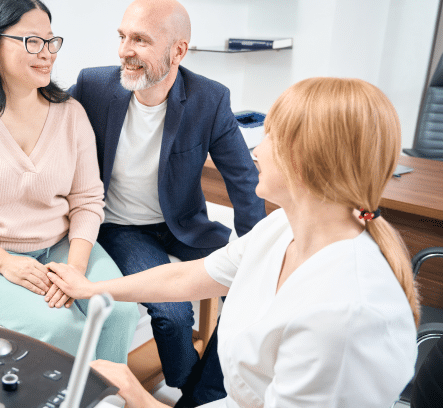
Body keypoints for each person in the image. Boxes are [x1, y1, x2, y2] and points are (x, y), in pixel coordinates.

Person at [0, 0, 265, 404]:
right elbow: (12, 105)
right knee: (163, 314)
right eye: (123, 37)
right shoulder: (94, 87)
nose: (125, 50)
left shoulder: (206, 98)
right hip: (116, 229)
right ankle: (151, 388)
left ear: (178, 51)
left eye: (140, 40)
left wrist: (255, 249)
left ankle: (197, 393)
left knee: (250, 285)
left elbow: (243, 180)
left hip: (177, 225)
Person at [47, 77, 421, 408]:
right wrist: (93, 288)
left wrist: (141, 398)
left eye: (270, 135)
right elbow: (191, 277)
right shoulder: (280, 229)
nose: (256, 150)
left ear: (305, 160)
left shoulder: (342, 319)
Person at [0, 0, 140, 364]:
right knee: (61, 328)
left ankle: (110, 400)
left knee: (118, 311)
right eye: (32, 41)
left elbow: (87, 200)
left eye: (51, 41)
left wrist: (76, 268)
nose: (48, 52)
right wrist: (6, 264)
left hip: (60, 245)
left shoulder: (70, 114)